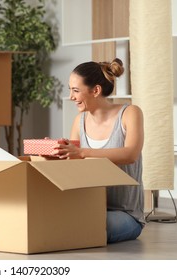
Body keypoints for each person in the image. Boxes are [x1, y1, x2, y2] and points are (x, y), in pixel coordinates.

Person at [52, 58, 145, 243]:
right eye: (70, 90)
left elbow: (130, 154)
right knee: (57, 222)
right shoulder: (79, 121)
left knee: (85, 227)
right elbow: (73, 165)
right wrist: (57, 150)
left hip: (125, 213)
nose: (71, 96)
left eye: (76, 90)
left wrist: (83, 153)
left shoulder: (130, 113)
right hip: (89, 206)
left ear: (96, 90)